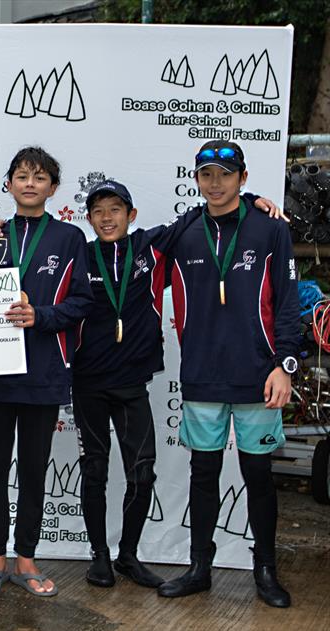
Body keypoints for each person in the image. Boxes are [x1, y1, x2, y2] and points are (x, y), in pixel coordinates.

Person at [73, 180, 281, 589]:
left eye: (116, 209)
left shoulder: (151, 248)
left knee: (142, 473)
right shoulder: (80, 253)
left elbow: (208, 208)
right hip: (88, 382)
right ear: (89, 218)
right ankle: (99, 556)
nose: (107, 217)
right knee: (94, 470)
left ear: (131, 216)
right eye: (98, 211)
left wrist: (254, 198)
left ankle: (127, 555)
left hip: (133, 381)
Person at [157, 141, 299, 608]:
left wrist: (284, 365)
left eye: (225, 174)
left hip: (259, 375)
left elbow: (288, 304)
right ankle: (200, 567)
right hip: (201, 375)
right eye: (206, 175)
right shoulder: (183, 233)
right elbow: (130, 254)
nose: (215, 184)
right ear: (196, 179)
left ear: (241, 176)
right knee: (203, 473)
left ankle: (265, 570)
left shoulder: (269, 228)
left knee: (258, 475)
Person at [0, 146, 93, 597]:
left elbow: (82, 304)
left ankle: (26, 557)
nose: (30, 183)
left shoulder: (71, 238)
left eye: (39, 177)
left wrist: (43, 316)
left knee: (34, 468)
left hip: (44, 370)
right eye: (21, 175)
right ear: (9, 184)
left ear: (53, 188)